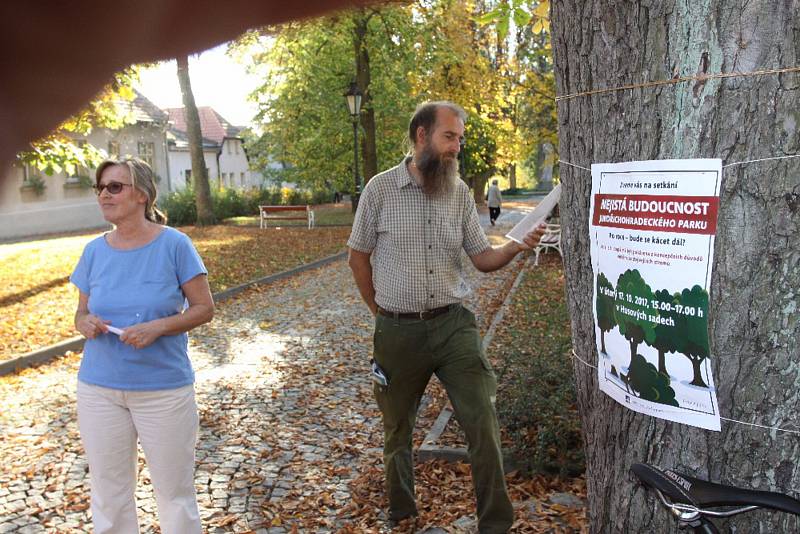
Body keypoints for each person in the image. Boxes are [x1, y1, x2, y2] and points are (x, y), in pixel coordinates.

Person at [346, 101, 545, 533]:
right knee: (397, 429)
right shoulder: (380, 190)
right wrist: (379, 312)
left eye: (460, 138)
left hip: (454, 326)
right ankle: (403, 513)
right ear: (422, 136)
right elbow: (357, 257)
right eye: (449, 137)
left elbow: (482, 258)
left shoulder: (457, 193)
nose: (457, 147)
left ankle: (495, 522)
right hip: (398, 331)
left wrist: (515, 246)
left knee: (482, 419)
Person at [70, 157, 214, 533]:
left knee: (174, 494)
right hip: (98, 389)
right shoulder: (93, 251)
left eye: (114, 186)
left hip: (163, 391)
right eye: (100, 187)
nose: (104, 194)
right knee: (109, 492)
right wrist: (85, 323)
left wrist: (158, 327)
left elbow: (204, 308)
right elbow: (81, 313)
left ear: (142, 195)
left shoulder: (175, 245)